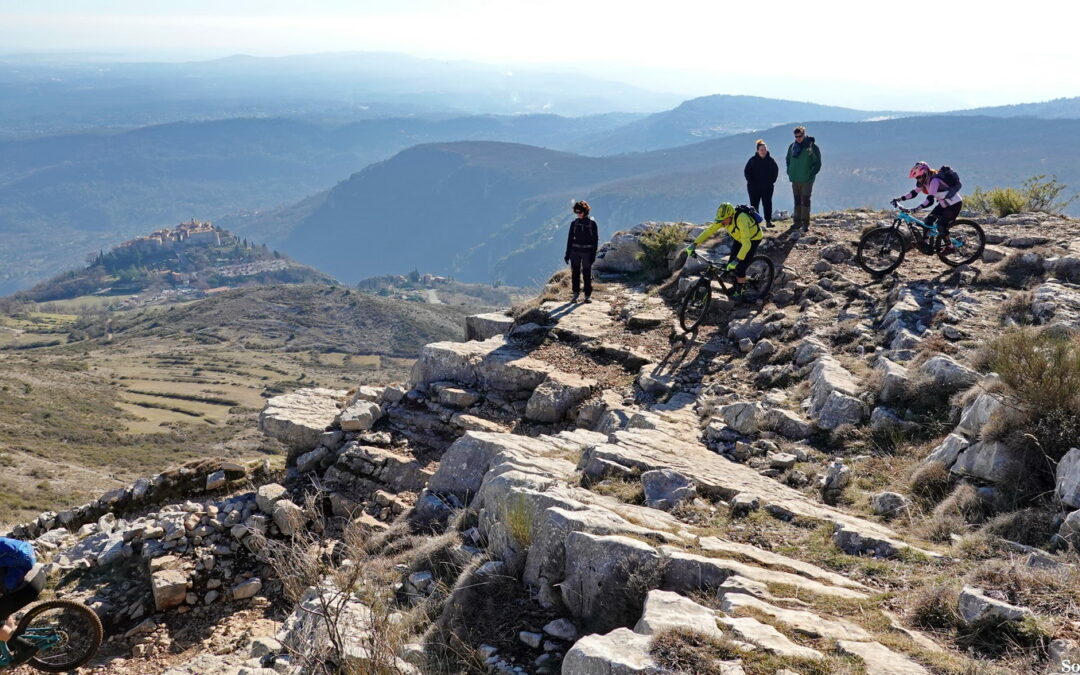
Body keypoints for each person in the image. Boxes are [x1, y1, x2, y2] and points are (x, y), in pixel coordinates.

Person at [684, 202, 764, 299]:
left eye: (723, 220)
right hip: (739, 239)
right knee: (730, 265)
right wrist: (694, 244)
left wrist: (738, 260)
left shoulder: (741, 219)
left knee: (741, 267)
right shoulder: (724, 220)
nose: (722, 223)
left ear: (730, 216)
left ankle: (739, 292)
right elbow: (709, 230)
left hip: (752, 239)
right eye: (720, 220)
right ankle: (736, 281)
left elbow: (747, 244)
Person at [891, 162, 963, 249]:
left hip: (954, 205)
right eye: (916, 178)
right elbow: (914, 193)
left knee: (941, 226)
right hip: (944, 204)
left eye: (918, 177)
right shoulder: (924, 181)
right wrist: (899, 199)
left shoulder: (934, 181)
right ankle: (925, 243)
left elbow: (930, 200)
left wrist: (917, 208)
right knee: (928, 221)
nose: (918, 180)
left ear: (925, 174)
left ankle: (950, 247)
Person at [0, 536, 39, 662]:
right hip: (35, 575)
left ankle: (26, 648)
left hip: (26, 587)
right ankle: (12, 644)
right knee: (3, 607)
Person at [785, 126, 822, 232]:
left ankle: (805, 223)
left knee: (805, 201)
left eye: (800, 136)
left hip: (806, 179)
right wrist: (789, 171)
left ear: (804, 134)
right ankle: (797, 222)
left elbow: (817, 163)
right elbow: (788, 160)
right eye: (796, 136)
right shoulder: (792, 147)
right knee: (797, 200)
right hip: (795, 178)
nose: (798, 138)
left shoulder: (812, 147)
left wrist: (811, 174)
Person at [564, 200, 598, 303]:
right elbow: (569, 239)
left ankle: (587, 295)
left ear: (585, 211)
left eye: (580, 212)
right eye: (576, 212)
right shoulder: (574, 224)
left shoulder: (592, 224)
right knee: (575, 273)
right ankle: (576, 295)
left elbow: (595, 240)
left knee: (587, 273)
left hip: (587, 252)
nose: (578, 214)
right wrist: (567, 254)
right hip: (575, 252)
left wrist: (593, 254)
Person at [744, 139, 779, 227]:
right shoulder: (752, 161)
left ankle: (768, 221)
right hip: (754, 188)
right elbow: (747, 172)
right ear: (757, 151)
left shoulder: (771, 161)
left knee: (767, 204)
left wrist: (771, 181)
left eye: (765, 149)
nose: (763, 151)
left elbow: (775, 171)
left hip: (767, 188)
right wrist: (752, 183)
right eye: (761, 150)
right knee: (754, 205)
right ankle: (756, 223)